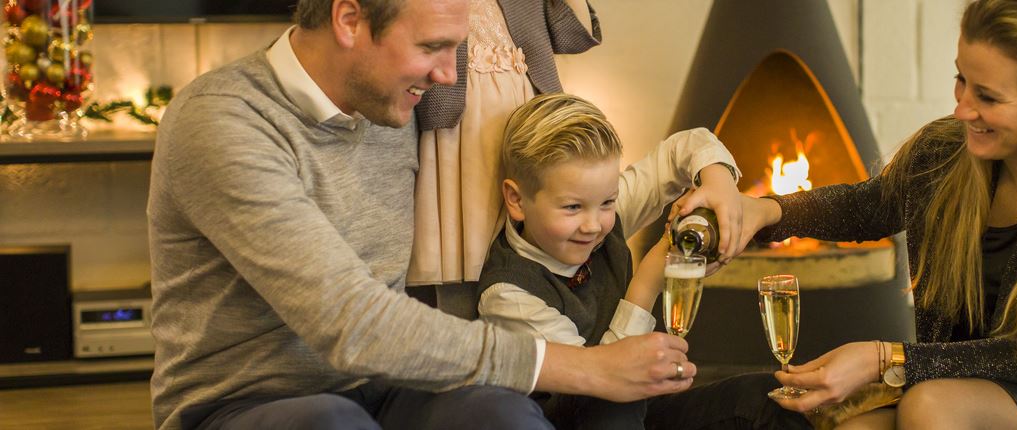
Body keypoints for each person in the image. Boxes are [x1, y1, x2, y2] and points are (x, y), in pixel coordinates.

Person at [146, 1, 698, 429]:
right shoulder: (222, 122)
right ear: (348, 20)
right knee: (331, 423)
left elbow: (560, 193)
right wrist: (585, 368)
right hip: (243, 403)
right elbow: (350, 322)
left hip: (385, 388)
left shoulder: (393, 102)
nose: (447, 78)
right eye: (433, 47)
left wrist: (720, 181)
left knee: (497, 415)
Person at [728, 0, 1017, 428]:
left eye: (987, 96)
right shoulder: (945, 152)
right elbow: (870, 205)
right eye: (960, 78)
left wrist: (885, 359)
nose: (961, 108)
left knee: (931, 405)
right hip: (964, 387)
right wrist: (766, 211)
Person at [475, 93, 806, 429]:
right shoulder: (509, 296)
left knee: (768, 399)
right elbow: (609, 382)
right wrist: (649, 280)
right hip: (591, 419)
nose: (594, 225)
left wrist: (718, 182)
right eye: (572, 207)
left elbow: (685, 146)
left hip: (643, 409)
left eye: (607, 202)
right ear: (516, 200)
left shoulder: (603, 217)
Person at [407, 0, 607, 319]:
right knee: (464, 241)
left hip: (521, 124)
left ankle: (533, 332)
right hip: (456, 135)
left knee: (530, 231)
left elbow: (574, 36)